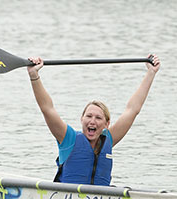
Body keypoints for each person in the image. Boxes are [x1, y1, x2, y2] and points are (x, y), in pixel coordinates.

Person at [27, 54, 160, 186]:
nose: (92, 121)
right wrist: (34, 76)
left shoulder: (109, 139)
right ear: (81, 119)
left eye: (98, 118)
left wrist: (151, 73)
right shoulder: (68, 138)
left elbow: (132, 110)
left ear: (107, 124)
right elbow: (47, 108)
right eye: (89, 116)